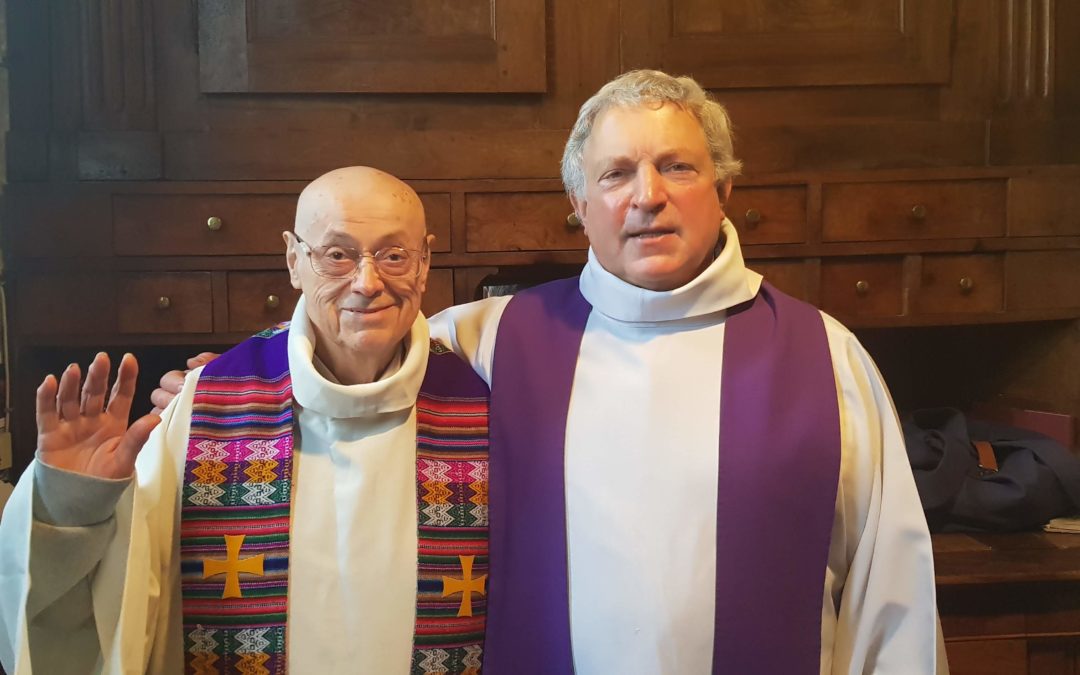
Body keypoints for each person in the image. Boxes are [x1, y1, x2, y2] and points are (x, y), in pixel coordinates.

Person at [156, 70, 947, 674]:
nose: (648, 198)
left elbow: (893, 597)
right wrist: (231, 385)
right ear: (579, 200)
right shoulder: (496, 337)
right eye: (616, 174)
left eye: (678, 166)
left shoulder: (825, 359)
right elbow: (357, 345)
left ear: (726, 187)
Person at [0, 167, 492, 674]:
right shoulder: (205, 407)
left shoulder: (484, 411)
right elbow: (116, 602)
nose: (367, 283)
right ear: (294, 260)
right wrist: (70, 504)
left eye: (394, 255)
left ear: (425, 262)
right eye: (337, 254)